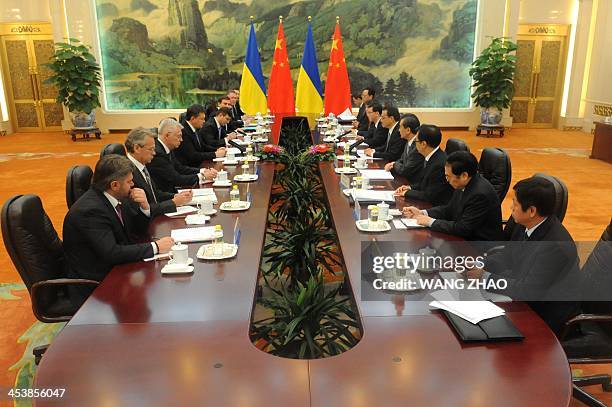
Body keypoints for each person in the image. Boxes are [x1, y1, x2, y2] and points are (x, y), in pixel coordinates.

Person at [466, 177, 582, 335]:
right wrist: (481, 263)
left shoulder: (554, 247)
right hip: (524, 295)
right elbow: (508, 255)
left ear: (532, 211)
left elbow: (528, 291)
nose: (511, 207)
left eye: (515, 203)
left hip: (545, 315)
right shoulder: (526, 224)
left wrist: (485, 277)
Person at [63, 154, 174, 304]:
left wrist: (145, 208)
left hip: (115, 270)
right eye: (129, 182)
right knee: (159, 294)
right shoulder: (90, 211)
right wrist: (155, 247)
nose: (133, 184)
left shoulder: (115, 198)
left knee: (157, 287)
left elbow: (135, 231)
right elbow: (112, 253)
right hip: (96, 285)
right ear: (115, 185)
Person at [402, 151, 503, 241]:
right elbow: (449, 209)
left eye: (448, 177)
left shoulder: (480, 194)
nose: (447, 180)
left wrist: (431, 222)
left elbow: (463, 229)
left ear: (464, 175)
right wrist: (423, 212)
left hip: (479, 247)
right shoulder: (464, 184)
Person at [124, 127, 193, 217]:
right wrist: (173, 202)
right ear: (137, 148)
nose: (154, 153)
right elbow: (142, 210)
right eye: (151, 149)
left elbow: (155, 194)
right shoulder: (127, 173)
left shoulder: (142, 165)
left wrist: (177, 196)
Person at [147, 118, 217, 194]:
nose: (181, 140)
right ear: (167, 135)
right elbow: (176, 179)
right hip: (166, 196)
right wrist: (202, 176)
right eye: (179, 136)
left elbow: (180, 168)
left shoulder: (167, 147)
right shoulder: (158, 154)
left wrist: (203, 170)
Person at [394, 124, 453, 205]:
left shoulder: (439, 164)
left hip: (437, 206)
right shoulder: (431, 156)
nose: (415, 144)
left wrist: (407, 193)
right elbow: (424, 183)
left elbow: (430, 195)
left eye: (416, 141)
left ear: (423, 144)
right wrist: (409, 187)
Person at [384, 113, 424, 184]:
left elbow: (405, 170)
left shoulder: (417, 146)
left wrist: (394, 164)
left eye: (400, 127)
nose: (399, 130)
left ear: (408, 130)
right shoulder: (408, 141)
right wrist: (394, 163)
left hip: (413, 184)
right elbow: (402, 159)